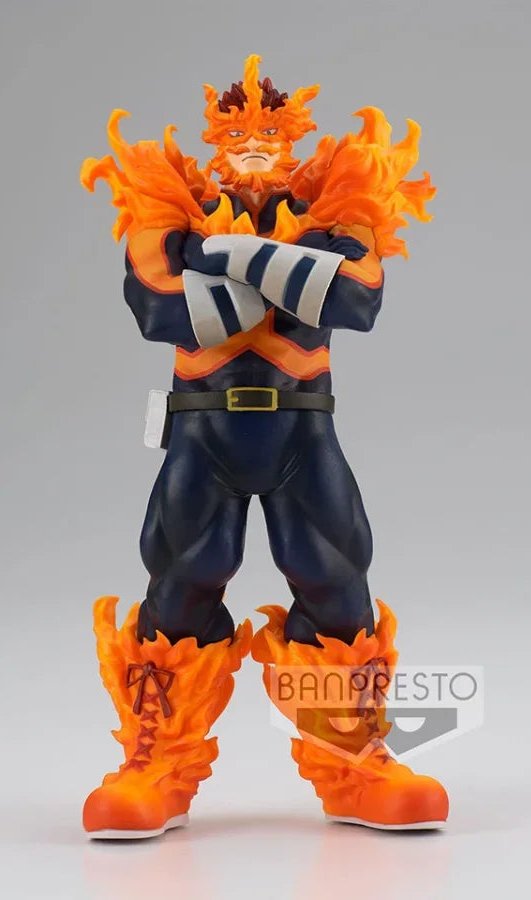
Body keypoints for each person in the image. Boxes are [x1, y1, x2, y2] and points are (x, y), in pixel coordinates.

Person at [79, 54, 448, 838]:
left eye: (270, 135)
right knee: (183, 578)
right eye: (237, 134)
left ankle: (353, 760)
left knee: (334, 576)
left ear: (293, 142)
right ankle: (158, 762)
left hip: (301, 426)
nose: (253, 146)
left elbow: (355, 300)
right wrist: (293, 276)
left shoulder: (338, 203)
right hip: (202, 427)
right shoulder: (167, 204)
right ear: (215, 143)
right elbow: (163, 312)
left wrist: (219, 257)